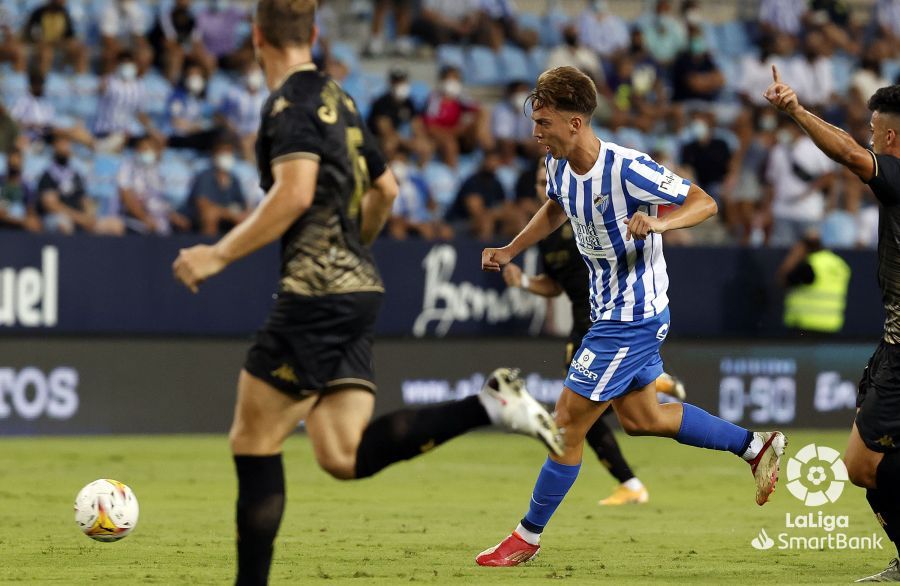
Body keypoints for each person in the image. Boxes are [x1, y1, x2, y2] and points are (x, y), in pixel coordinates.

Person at [171, 2, 563, 584]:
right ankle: (488, 405)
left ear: (256, 37)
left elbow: (295, 192)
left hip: (314, 293)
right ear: (315, 34)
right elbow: (387, 188)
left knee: (252, 440)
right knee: (342, 454)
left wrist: (217, 253)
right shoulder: (340, 100)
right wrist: (355, 244)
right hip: (359, 290)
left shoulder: (288, 104)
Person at [476, 66, 786, 567]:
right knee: (644, 419)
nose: (536, 133)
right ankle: (754, 446)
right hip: (608, 312)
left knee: (565, 424)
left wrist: (660, 222)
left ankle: (526, 538)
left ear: (576, 123)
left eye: (544, 123)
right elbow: (556, 208)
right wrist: (512, 248)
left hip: (632, 317)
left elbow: (705, 203)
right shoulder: (557, 166)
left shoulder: (626, 167)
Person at [764, 68, 900, 582]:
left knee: (861, 465)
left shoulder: (895, 172)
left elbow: (846, 153)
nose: (867, 139)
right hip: (892, 343)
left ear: (888, 138)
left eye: (872, 132)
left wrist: (796, 111)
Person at [503, 160, 687, 505]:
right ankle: (654, 384)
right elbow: (554, 287)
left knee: (575, 414)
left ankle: (630, 483)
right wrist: (524, 281)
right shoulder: (545, 238)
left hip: (608, 320)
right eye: (540, 181)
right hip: (583, 320)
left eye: (548, 178)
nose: (547, 184)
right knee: (607, 415)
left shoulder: (588, 218)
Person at [777, 230, 851, 335]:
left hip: (805, 324)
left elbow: (783, 280)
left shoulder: (808, 265)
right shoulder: (839, 264)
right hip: (831, 325)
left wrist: (793, 258)